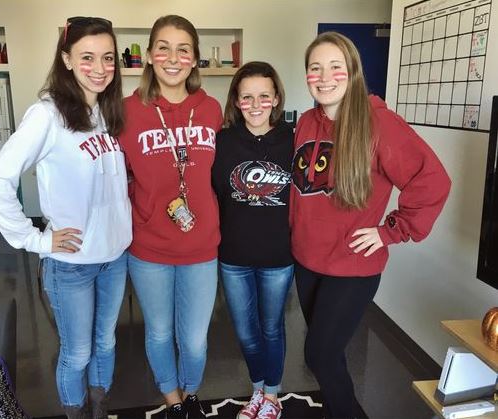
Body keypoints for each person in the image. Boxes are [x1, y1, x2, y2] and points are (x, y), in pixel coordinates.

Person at [290, 31, 451, 418]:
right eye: (315, 68)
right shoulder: (306, 122)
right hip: (306, 260)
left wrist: (389, 230)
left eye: (335, 67)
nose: (324, 77)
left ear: (353, 72)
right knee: (328, 356)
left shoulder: (379, 123)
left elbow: (433, 181)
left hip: (351, 265)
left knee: (319, 354)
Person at [0, 16, 131, 419]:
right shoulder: (47, 115)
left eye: (108, 58)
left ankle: (99, 409)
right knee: (78, 352)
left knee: (105, 344)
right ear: (66, 59)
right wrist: (36, 239)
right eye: (87, 57)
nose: (99, 68)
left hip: (115, 257)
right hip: (71, 263)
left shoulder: (107, 111)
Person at [118, 15, 222, 419]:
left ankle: (191, 392)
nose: (173, 58)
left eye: (183, 50)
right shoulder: (126, 111)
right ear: (149, 55)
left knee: (194, 339)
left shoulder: (211, 109)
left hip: (201, 246)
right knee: (160, 332)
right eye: (163, 48)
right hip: (148, 248)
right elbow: (112, 174)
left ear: (194, 59)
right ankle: (173, 401)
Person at [211, 61, 293, 419]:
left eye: (264, 96)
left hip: (278, 256)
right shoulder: (223, 141)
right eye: (247, 97)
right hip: (234, 256)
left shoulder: (293, 139)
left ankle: (272, 396)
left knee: (271, 329)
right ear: (236, 100)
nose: (255, 104)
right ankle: (258, 391)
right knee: (245, 332)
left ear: (276, 98)